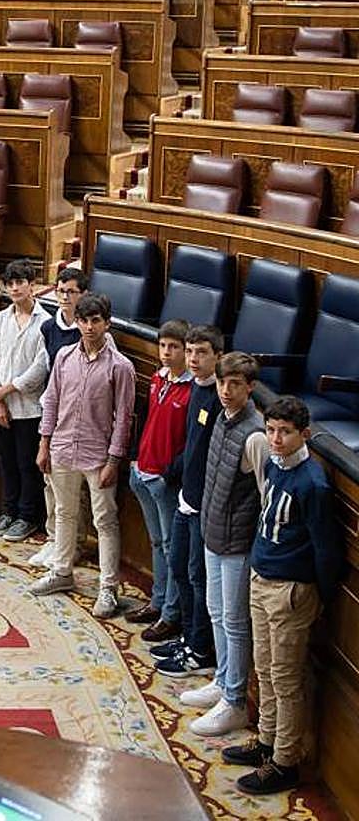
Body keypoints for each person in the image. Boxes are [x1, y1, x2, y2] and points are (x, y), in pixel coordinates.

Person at [225, 395, 341, 795]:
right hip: (263, 577)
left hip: (291, 590)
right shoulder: (274, 466)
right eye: (271, 430)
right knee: (265, 668)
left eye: (285, 433)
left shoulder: (313, 484)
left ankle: (285, 762)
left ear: (303, 434)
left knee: (287, 679)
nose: (275, 439)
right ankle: (267, 739)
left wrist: (320, 597)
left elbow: (326, 549)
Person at [179, 352, 269, 738]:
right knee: (216, 612)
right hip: (212, 531)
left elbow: (267, 499)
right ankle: (221, 679)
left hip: (237, 543)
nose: (226, 391)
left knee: (234, 621)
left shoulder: (256, 435)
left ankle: (234, 701)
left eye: (235, 384)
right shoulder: (219, 417)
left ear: (250, 387)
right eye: (221, 383)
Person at [32, 293, 136, 618]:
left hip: (98, 456)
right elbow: (51, 401)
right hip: (62, 447)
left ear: (107, 323)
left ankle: (108, 588)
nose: (89, 327)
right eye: (84, 320)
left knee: (104, 520)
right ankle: (62, 572)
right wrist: (44, 444)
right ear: (76, 322)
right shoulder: (64, 357)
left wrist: (114, 460)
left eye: (96, 321)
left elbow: (124, 418)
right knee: (64, 513)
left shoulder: (121, 367)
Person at [156, 325, 225, 706]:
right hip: (186, 496)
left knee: (199, 577)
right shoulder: (197, 389)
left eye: (202, 352)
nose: (194, 358)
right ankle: (185, 635)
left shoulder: (217, 395)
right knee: (179, 567)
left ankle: (200, 650)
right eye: (191, 351)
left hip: (203, 505)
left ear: (217, 355)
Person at [124, 319, 192, 641]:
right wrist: (137, 457)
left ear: (185, 350)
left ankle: (170, 613)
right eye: (163, 345)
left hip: (165, 479)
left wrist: (169, 473)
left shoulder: (192, 390)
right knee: (155, 543)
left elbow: (189, 443)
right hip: (143, 470)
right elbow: (149, 421)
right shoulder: (156, 378)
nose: (166, 352)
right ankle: (157, 601)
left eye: (174, 347)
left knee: (171, 546)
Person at [0, 259, 48, 542]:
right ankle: (8, 511)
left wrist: (6, 390)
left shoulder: (44, 323)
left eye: (21, 282)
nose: (15, 288)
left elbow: (40, 368)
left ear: (32, 285)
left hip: (27, 407)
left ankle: (27, 516)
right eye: (10, 284)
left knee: (26, 464)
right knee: (6, 462)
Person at [32, 267, 89, 568]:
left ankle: (73, 543)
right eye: (61, 291)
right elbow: (46, 369)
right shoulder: (48, 328)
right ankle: (53, 538)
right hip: (52, 410)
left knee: (72, 490)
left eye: (71, 292)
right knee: (49, 480)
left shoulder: (87, 329)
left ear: (83, 295)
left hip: (77, 419)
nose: (65, 297)